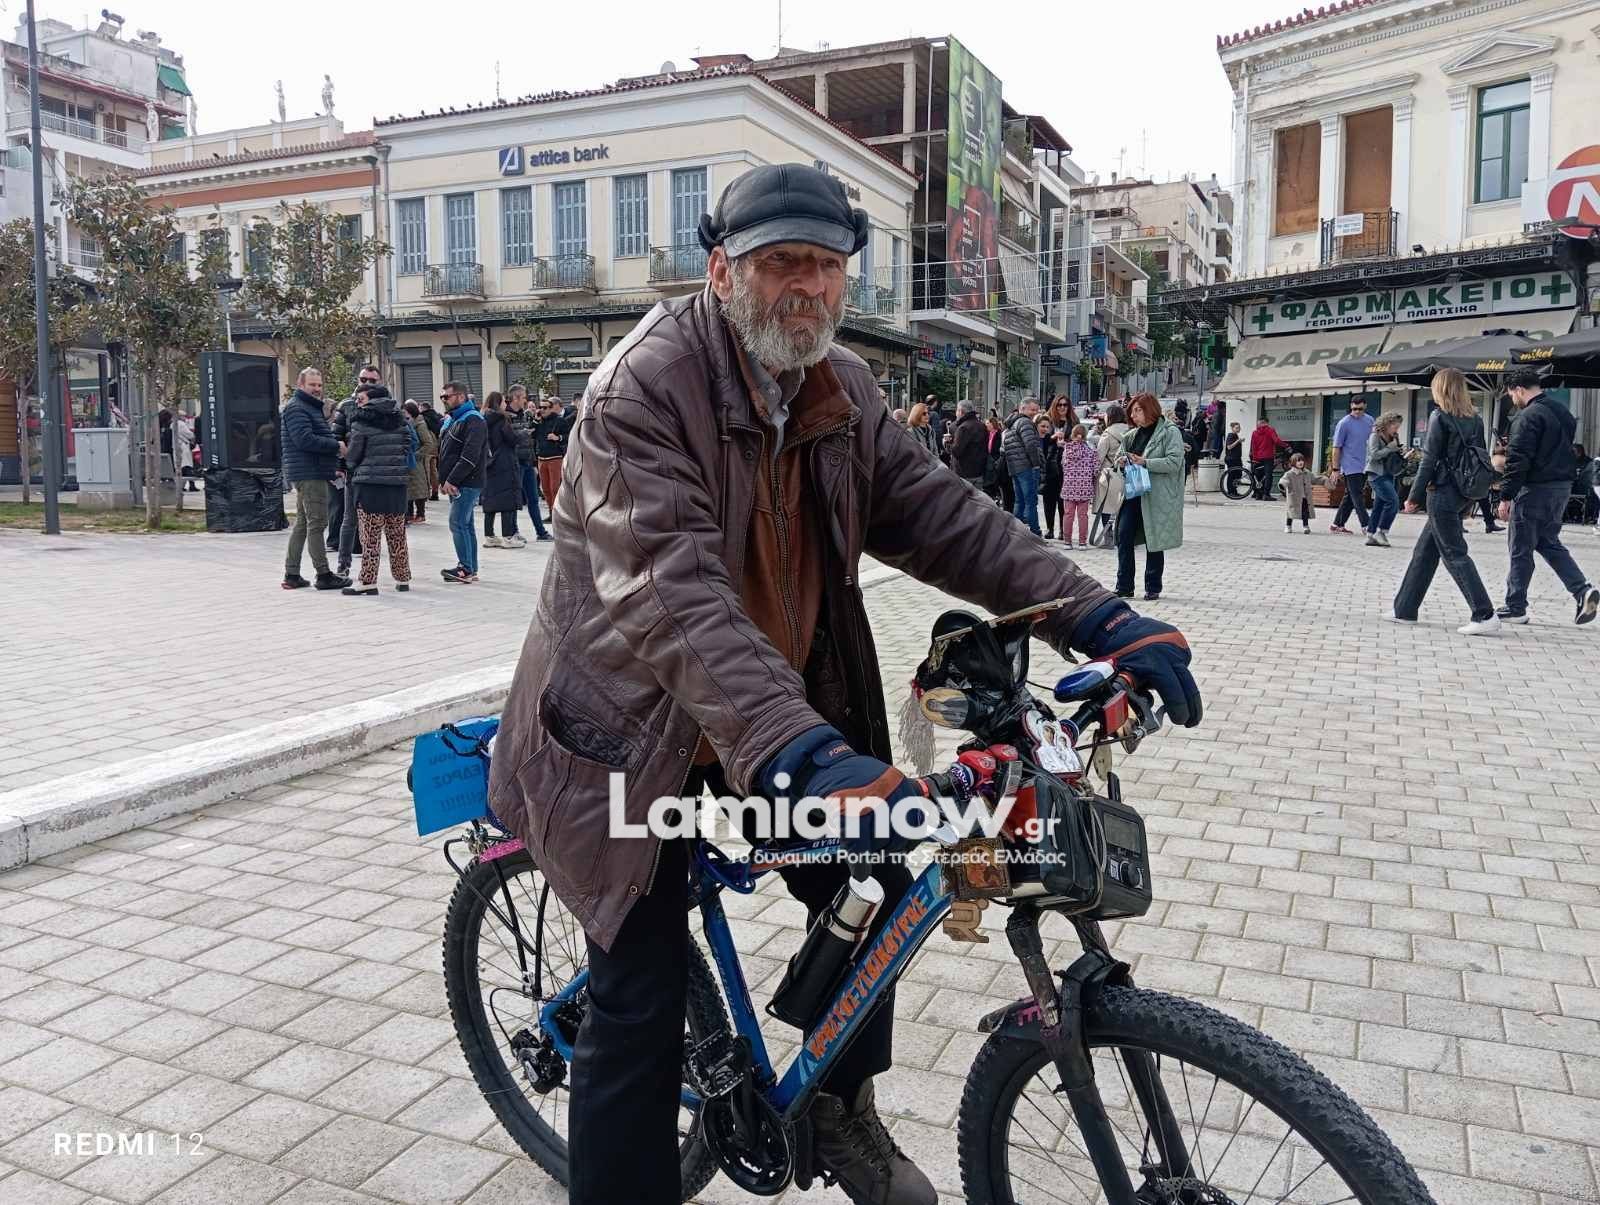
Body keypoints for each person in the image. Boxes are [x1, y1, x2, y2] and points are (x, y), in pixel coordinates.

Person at [486, 162, 1202, 1205]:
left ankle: (839, 1108)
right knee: (637, 999)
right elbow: (669, 590)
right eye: (782, 263)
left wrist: (1098, 617)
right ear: (721, 269)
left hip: (761, 720)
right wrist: (801, 749)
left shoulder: (841, 390)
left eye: (826, 267)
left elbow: (949, 521)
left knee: (877, 873)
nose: (808, 288)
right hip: (629, 742)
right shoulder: (643, 388)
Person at [1393, 369, 1500, 635]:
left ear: (1440, 389)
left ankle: (1484, 614)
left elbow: (1428, 460)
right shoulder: (1475, 418)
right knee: (1425, 552)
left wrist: (1413, 497)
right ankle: (1404, 609)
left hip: (1441, 491)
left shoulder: (1439, 416)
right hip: (1464, 491)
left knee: (1454, 553)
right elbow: (1478, 457)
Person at [1495, 368, 1599, 625]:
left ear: (1519, 389)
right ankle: (1582, 590)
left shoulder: (1527, 416)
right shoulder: (1563, 412)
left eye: (1512, 395)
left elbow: (1518, 461)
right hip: (1561, 487)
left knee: (1520, 547)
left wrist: (1505, 496)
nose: (1513, 400)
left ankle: (1515, 606)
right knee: (1547, 542)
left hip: (1534, 489)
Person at [280, 368, 348, 591]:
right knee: (317, 523)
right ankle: (323, 574)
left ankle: (292, 574)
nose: (317, 389)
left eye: (319, 385)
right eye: (312, 384)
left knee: (302, 524)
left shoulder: (308, 406)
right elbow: (305, 440)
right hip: (310, 473)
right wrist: (336, 446)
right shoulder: (297, 408)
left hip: (310, 471)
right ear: (300, 385)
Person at [341, 384, 413, 595]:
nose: (358, 401)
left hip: (369, 486)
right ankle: (402, 578)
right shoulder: (401, 421)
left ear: (371, 399)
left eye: (361, 398)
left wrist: (345, 454)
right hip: (397, 485)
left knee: (370, 537)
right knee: (397, 534)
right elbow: (408, 448)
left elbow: (353, 456)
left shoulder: (361, 422)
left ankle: (368, 581)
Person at [1115, 393, 1185, 601]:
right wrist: (1121, 462)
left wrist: (1145, 462)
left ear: (1150, 409)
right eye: (1132, 411)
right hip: (1133, 493)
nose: (1133, 415)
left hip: (1157, 495)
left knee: (1153, 540)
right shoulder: (1131, 435)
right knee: (1123, 536)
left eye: (1138, 410)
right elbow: (1118, 457)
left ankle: (1153, 586)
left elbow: (1174, 462)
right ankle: (1124, 586)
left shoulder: (1169, 432)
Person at [327, 365, 381, 573]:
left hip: (378, 472)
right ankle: (343, 564)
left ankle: (371, 568)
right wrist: (339, 465)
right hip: (354, 471)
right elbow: (336, 436)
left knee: (376, 521)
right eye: (363, 379)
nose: (367, 383)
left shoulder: (387, 406)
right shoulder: (347, 405)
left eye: (372, 381)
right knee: (349, 519)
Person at [437, 381, 487, 584]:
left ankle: (465, 568)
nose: (444, 400)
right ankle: (470, 568)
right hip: (458, 482)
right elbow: (447, 452)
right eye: (442, 397)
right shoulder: (453, 419)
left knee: (457, 522)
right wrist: (443, 479)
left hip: (467, 481)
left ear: (460, 396)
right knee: (466, 524)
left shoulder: (473, 419)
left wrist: (451, 479)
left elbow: (469, 456)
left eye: (446, 397)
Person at [506, 386, 552, 541]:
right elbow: (509, 438)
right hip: (514, 462)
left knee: (533, 499)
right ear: (515, 398)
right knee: (514, 499)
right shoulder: (506, 416)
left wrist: (533, 462)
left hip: (527, 461)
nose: (526, 400)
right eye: (524, 397)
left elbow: (530, 438)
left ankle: (541, 532)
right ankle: (513, 531)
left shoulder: (525, 415)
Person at [1327, 395, 1376, 535]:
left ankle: (1337, 524)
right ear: (1350, 407)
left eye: (1360, 409)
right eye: (1354, 409)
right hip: (1350, 465)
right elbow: (1336, 447)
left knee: (1350, 495)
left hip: (1365, 464)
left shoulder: (1370, 420)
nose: (1357, 412)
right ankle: (1367, 525)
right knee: (1357, 495)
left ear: (1365, 406)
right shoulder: (1344, 423)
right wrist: (1335, 469)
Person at [481, 403, 527, 549]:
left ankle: (489, 537)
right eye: (503, 401)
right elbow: (512, 439)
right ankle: (508, 537)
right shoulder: (501, 420)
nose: (505, 404)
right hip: (504, 463)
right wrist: (523, 434)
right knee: (508, 501)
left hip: (489, 464)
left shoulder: (483, 420)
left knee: (490, 502)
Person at [1363, 412, 1410, 547]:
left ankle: (1371, 534)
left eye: (1398, 427)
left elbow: (1393, 453)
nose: (1396, 429)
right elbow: (1374, 455)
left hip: (1389, 473)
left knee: (1379, 505)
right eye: (1395, 426)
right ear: (1387, 424)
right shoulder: (1375, 436)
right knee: (1393, 501)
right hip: (1376, 474)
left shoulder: (1394, 436)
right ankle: (1382, 531)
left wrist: (1402, 452)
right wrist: (1390, 448)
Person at [1001, 397, 1045, 535]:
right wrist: (1036, 464)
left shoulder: (1011, 424)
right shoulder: (1025, 422)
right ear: (1023, 408)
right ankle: (1035, 532)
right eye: (1032, 409)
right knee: (1031, 502)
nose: (1035, 413)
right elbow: (1030, 445)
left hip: (1015, 467)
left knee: (1019, 501)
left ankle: (1015, 532)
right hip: (1027, 467)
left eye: (1037, 410)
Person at [1090, 402, 1130, 548]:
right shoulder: (1131, 431)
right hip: (1128, 474)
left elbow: (1099, 457)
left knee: (1106, 506)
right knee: (1124, 507)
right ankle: (1125, 536)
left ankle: (1109, 537)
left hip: (1109, 475)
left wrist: (1092, 474)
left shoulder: (1107, 434)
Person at [534, 394, 573, 518]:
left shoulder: (559, 421)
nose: (542, 410)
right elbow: (532, 435)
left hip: (555, 458)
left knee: (554, 487)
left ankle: (557, 514)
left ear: (551, 409)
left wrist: (558, 437)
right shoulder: (539, 421)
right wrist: (535, 421)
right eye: (540, 407)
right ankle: (551, 512)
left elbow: (569, 436)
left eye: (545, 408)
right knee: (545, 488)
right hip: (541, 458)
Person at [1060, 423, 1097, 550]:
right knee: (1083, 516)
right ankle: (1082, 542)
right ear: (1085, 436)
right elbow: (1096, 470)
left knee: (1068, 515)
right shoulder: (1091, 451)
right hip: (1085, 488)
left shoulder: (1066, 449)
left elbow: (1063, 465)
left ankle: (1067, 542)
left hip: (1069, 487)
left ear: (1073, 435)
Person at [403, 401, 436, 523]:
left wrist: (416, 455)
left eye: (405, 412)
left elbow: (428, 443)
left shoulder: (420, 425)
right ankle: (410, 514)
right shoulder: (410, 423)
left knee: (418, 489)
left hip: (416, 461)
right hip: (410, 460)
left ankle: (420, 514)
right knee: (410, 489)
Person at [950, 399, 988, 490]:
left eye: (957, 410)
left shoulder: (963, 428)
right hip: (979, 471)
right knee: (977, 497)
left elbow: (956, 452)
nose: (956, 413)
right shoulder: (981, 425)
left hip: (964, 473)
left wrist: (948, 443)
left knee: (963, 498)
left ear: (961, 411)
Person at [1280, 453, 1323, 534]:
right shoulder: (1289, 473)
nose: (1301, 462)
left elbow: (1315, 479)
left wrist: (1324, 480)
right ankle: (1288, 526)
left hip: (1305, 497)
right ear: (1293, 462)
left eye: (1302, 460)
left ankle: (1306, 526)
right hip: (1294, 497)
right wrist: (1282, 485)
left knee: (1305, 512)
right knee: (1291, 512)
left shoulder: (1307, 472)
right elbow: (1284, 480)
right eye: (1298, 461)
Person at [1250, 415, 1290, 501]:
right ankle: (1266, 494)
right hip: (1268, 457)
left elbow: (1253, 446)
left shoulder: (1254, 433)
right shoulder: (1270, 430)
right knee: (1268, 476)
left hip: (1258, 457)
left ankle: (1258, 494)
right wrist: (1286, 445)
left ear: (1259, 423)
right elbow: (1276, 440)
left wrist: (1254, 458)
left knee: (1259, 475)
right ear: (1267, 423)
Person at [1038, 415, 1065, 540]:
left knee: (1062, 502)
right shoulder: (1045, 437)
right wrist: (1053, 438)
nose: (1045, 428)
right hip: (1048, 471)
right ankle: (1050, 528)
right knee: (1048, 501)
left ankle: (1063, 530)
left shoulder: (1071, 426)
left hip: (1063, 471)